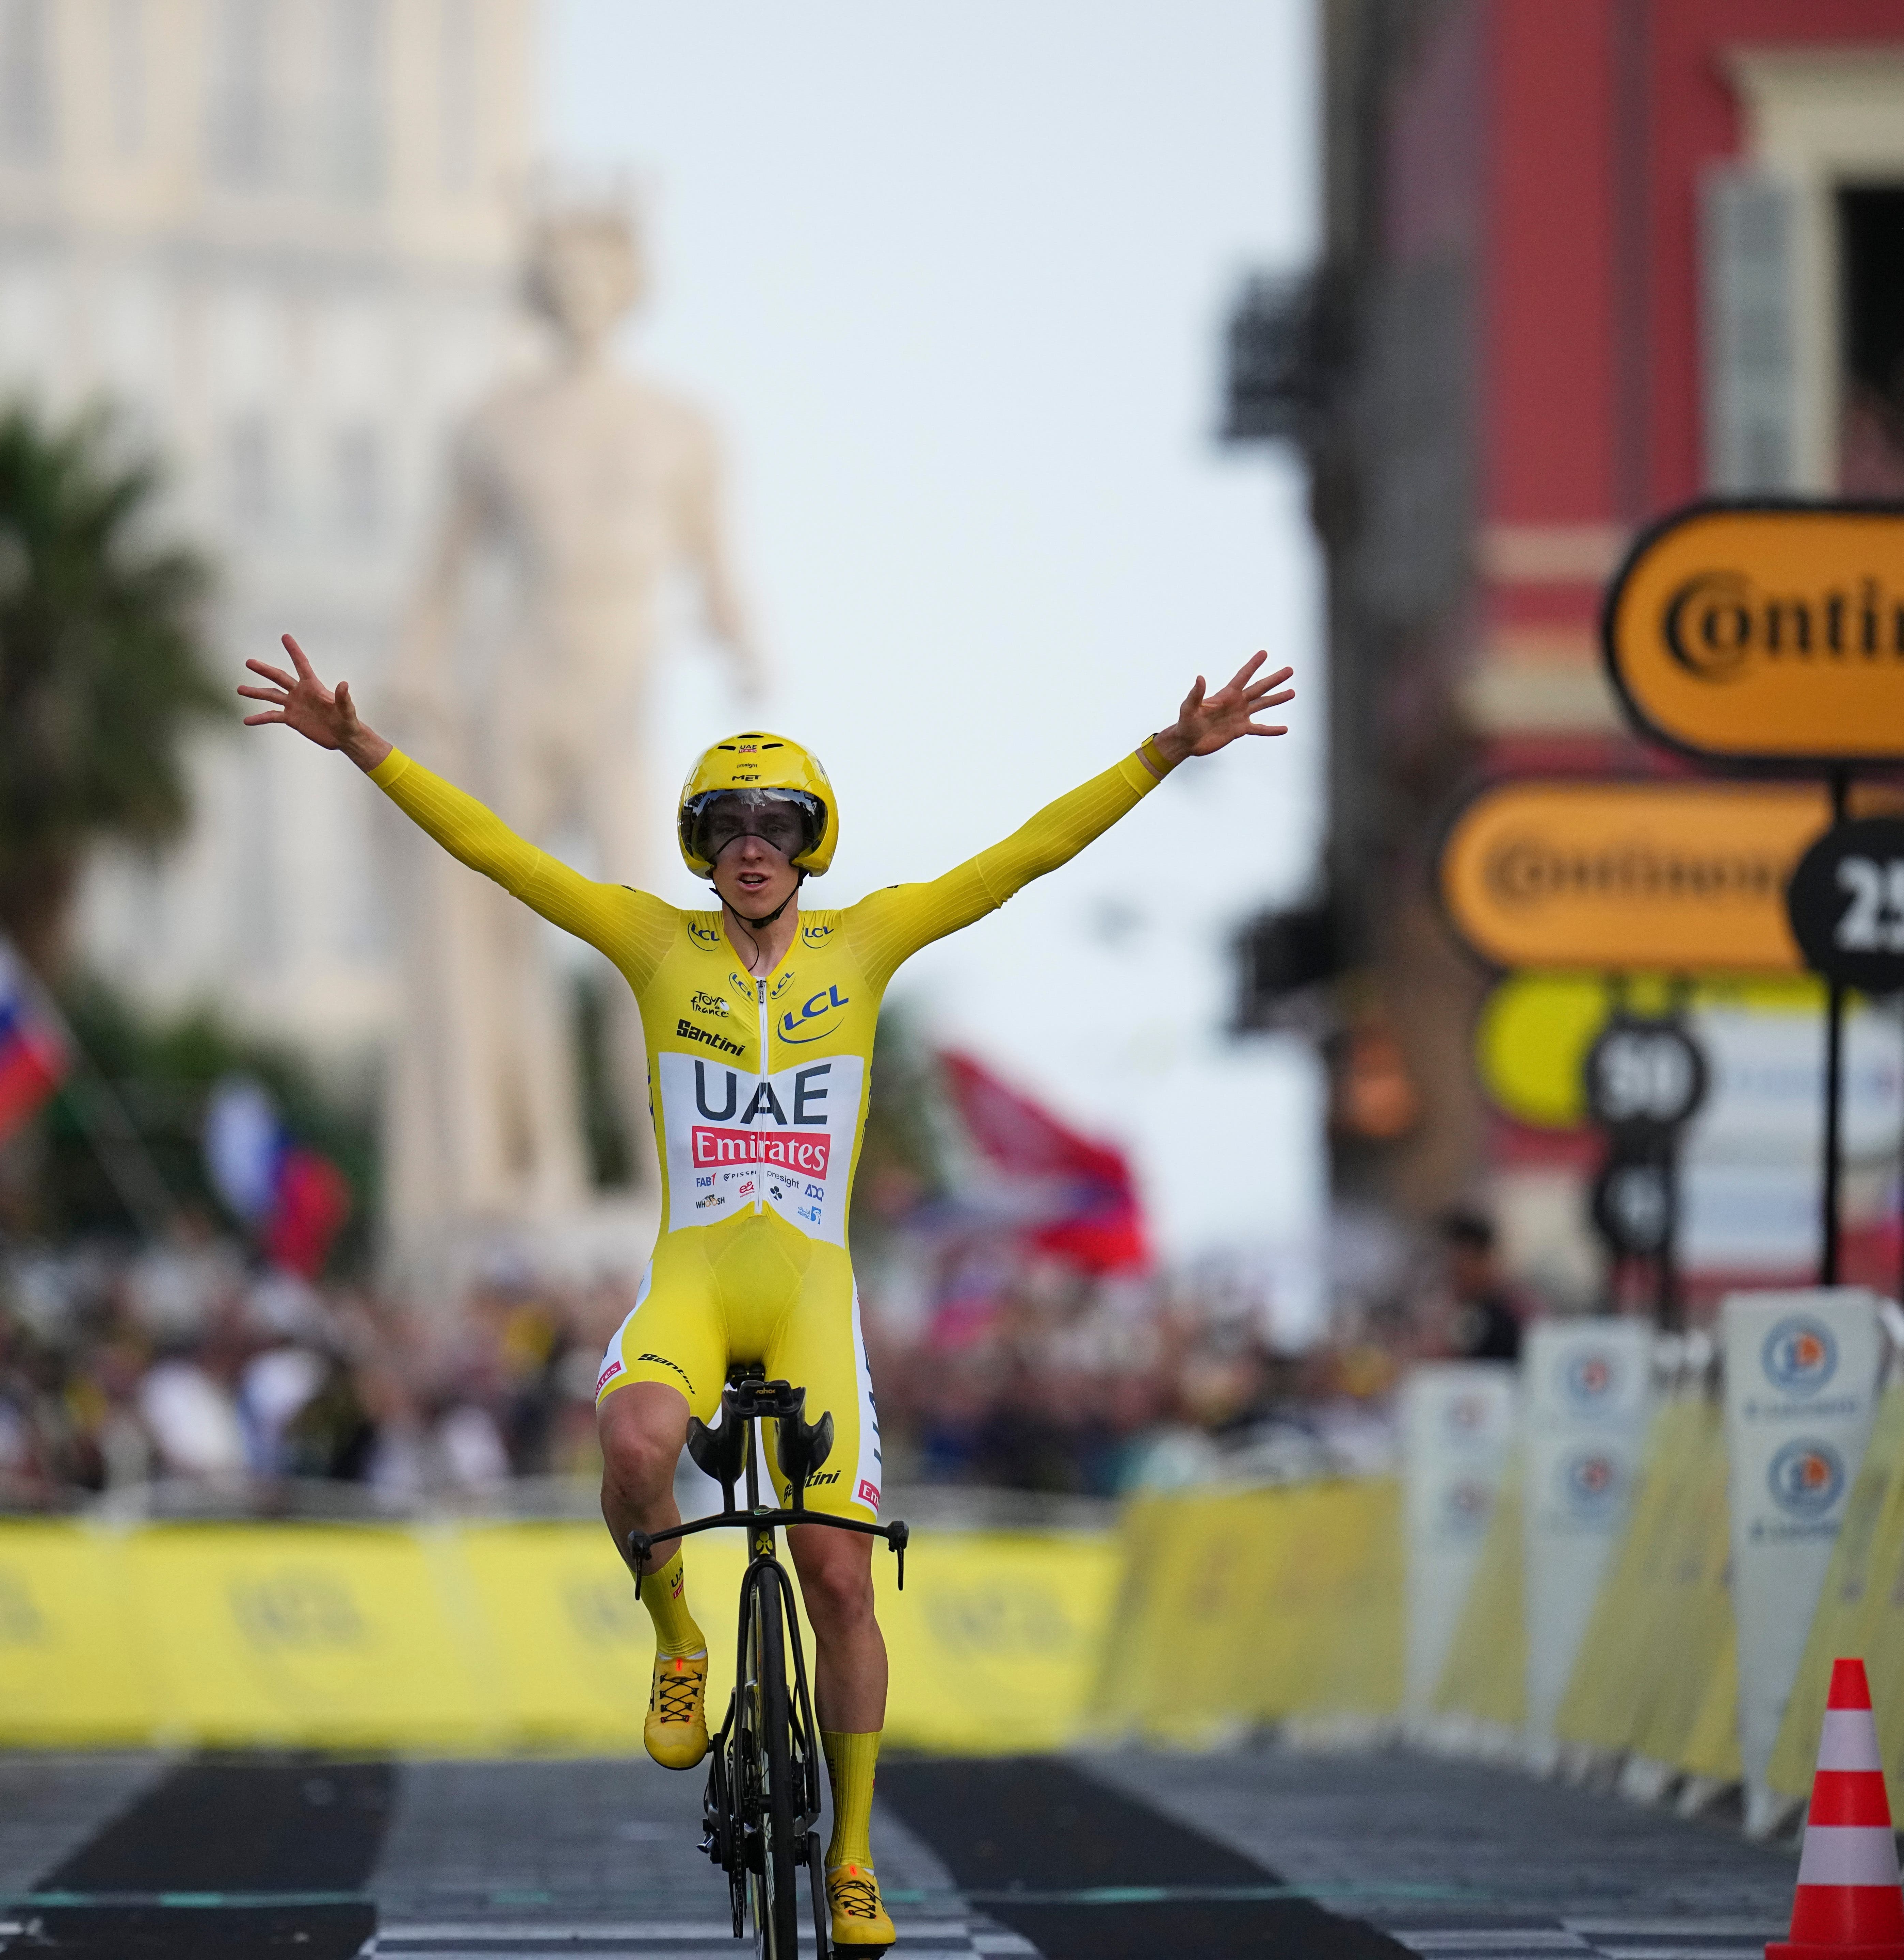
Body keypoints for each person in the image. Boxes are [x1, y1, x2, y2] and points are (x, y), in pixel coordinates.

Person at [243, 631, 1296, 1951]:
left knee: (837, 1583)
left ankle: (853, 1854)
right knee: (630, 1439)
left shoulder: (867, 942)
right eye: (727, 823)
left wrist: (1163, 752)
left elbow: (1024, 856)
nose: (753, 842)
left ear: (812, 841)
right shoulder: (649, 939)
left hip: (809, 1296)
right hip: (692, 1281)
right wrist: (364, 747)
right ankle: (678, 1633)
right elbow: (501, 856)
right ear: (700, 844)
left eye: (778, 822)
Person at [1437, 1209, 1524, 1363]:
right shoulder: (1441, 1313)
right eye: (1454, 1264)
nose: (1459, 1270)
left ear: (1487, 1259)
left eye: (1468, 1263)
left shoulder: (1517, 1311)